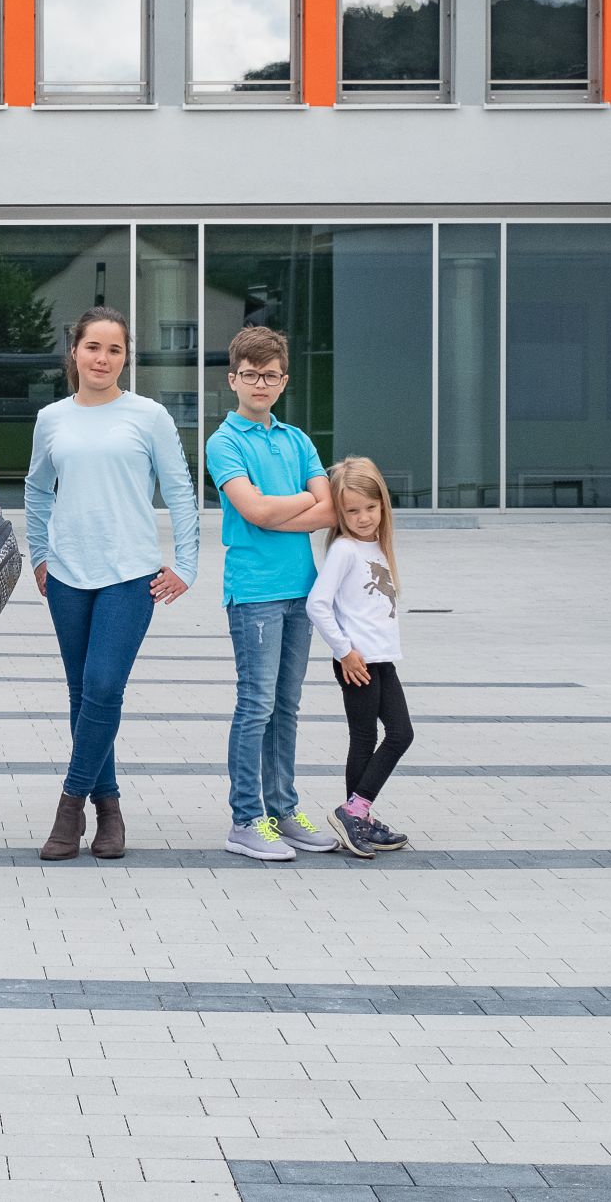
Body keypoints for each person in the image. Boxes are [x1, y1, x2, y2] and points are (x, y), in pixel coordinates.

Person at [24, 307, 198, 861]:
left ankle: (70, 805)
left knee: (103, 688)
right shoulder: (52, 418)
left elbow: (180, 490)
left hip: (130, 574)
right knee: (83, 698)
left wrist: (186, 565)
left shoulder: (148, 416)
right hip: (69, 576)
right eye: (93, 347)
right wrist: (40, 556)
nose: (102, 358)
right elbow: (35, 490)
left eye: (114, 350)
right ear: (73, 351)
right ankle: (111, 809)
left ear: (127, 357)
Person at [205, 325, 339, 862]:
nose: (261, 384)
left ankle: (284, 809)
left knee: (288, 705)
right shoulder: (224, 442)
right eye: (251, 375)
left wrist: (270, 508)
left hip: (301, 591)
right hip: (255, 593)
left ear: (284, 381)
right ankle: (245, 819)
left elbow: (329, 511)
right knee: (256, 704)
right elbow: (253, 511)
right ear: (233, 378)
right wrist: (292, 507)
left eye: (271, 376)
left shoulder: (297, 439)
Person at [307, 456, 414, 860]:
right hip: (357, 660)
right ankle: (354, 813)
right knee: (368, 737)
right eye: (352, 510)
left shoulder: (376, 547)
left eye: (370, 507)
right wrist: (345, 651)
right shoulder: (346, 550)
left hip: (381, 659)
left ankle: (359, 813)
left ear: (383, 504)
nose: (363, 517)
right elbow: (317, 604)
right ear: (340, 512)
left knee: (400, 733)